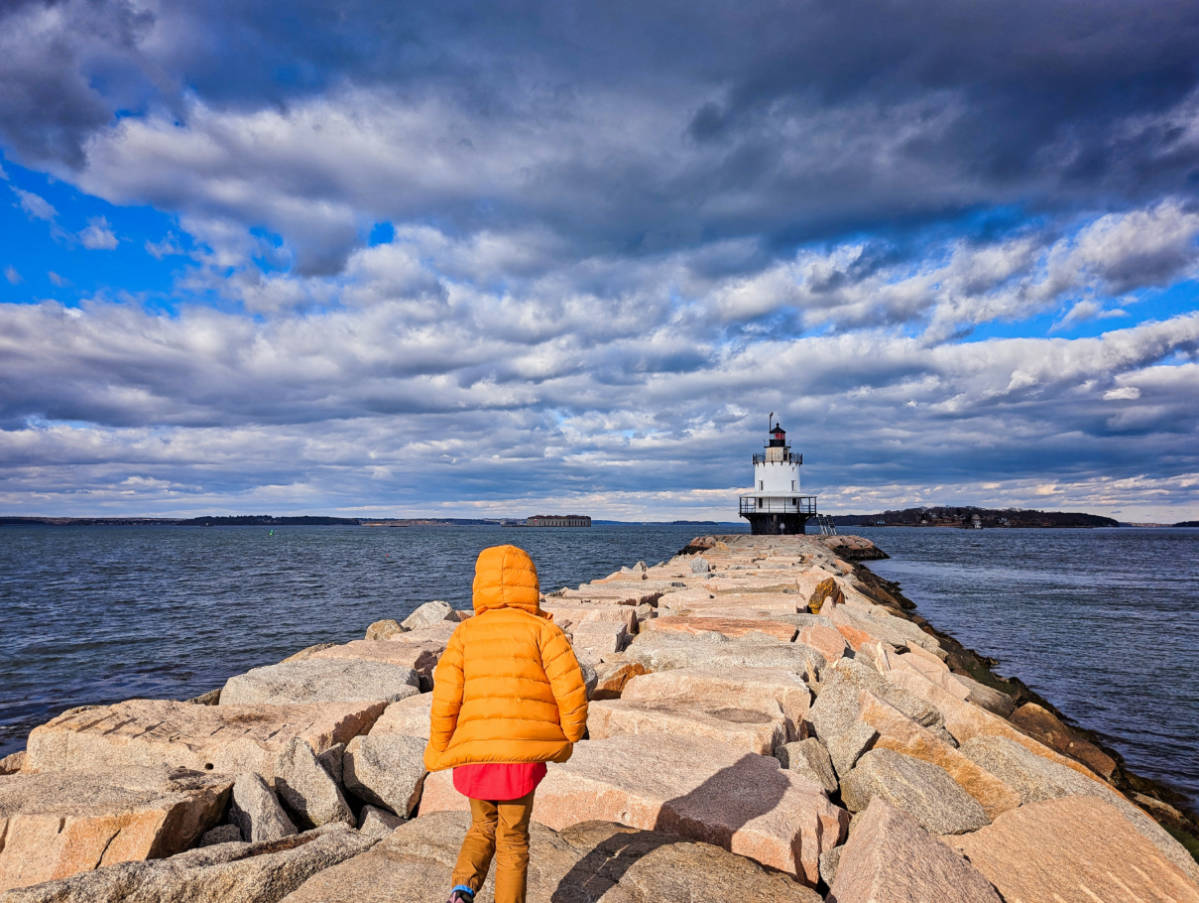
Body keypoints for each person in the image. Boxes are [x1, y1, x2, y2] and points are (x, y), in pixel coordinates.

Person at [424, 544, 589, 903]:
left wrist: (439, 745)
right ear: (529, 583)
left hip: (477, 756)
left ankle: (462, 890)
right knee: (513, 841)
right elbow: (571, 689)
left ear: (479, 584)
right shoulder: (544, 632)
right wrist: (573, 732)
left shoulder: (465, 634)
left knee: (482, 826)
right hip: (520, 759)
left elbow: (446, 696)